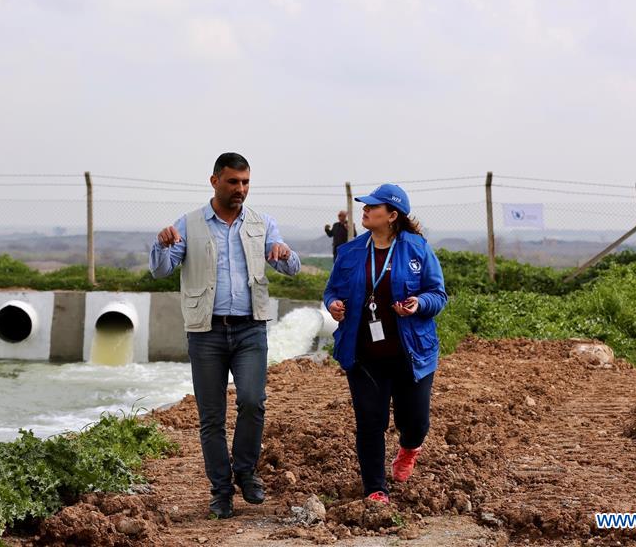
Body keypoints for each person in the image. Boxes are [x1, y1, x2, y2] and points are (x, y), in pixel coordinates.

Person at [149, 152, 301, 519]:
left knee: (252, 401)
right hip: (206, 332)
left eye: (246, 182)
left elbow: (290, 267)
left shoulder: (262, 223)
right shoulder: (187, 225)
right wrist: (162, 245)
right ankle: (220, 491)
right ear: (214, 180)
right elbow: (160, 270)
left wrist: (283, 254)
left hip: (250, 328)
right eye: (234, 182)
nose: (241, 189)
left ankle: (245, 472)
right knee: (211, 417)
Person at [322, 183, 447, 505]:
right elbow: (332, 290)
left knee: (415, 421)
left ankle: (409, 448)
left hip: (410, 351)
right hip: (363, 352)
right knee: (370, 421)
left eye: (373, 207)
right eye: (364, 205)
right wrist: (334, 304)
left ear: (392, 215)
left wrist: (419, 303)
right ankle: (375, 488)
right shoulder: (350, 251)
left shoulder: (417, 248)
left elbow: (438, 294)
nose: (365, 210)